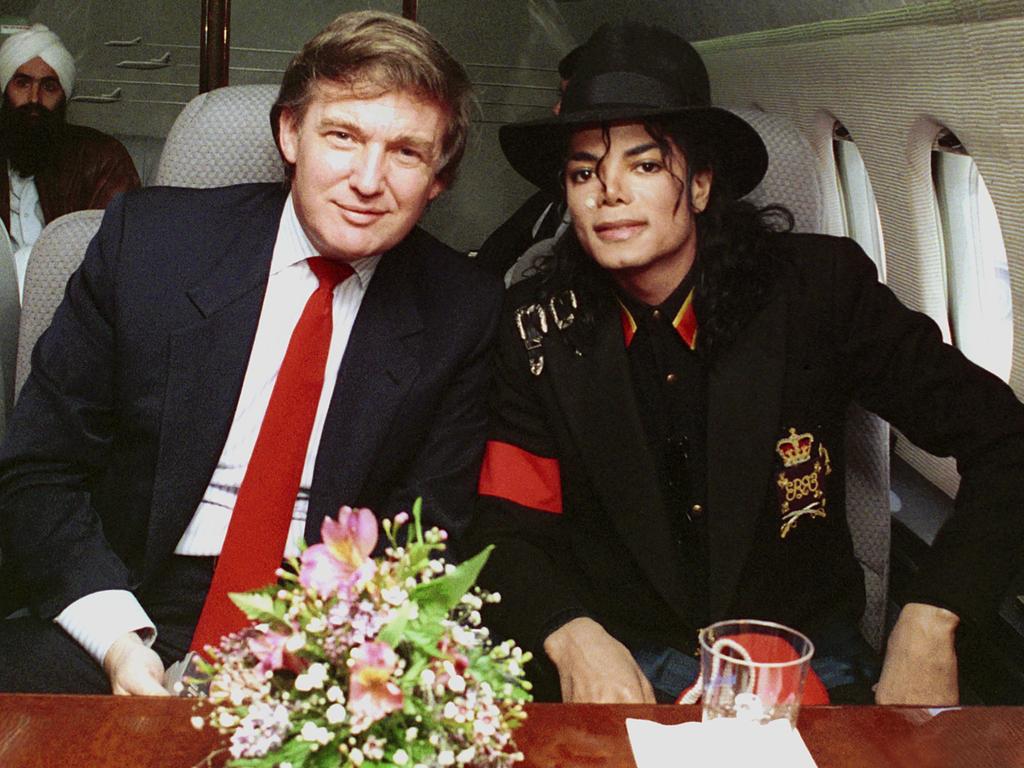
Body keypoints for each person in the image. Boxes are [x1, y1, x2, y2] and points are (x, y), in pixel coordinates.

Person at [469, 21, 1024, 706]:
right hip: (627, 663)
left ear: (700, 185)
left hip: (807, 661)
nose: (608, 191)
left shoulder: (820, 292)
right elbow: (507, 526)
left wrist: (934, 613)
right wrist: (570, 634)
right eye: (585, 172)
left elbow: (1005, 439)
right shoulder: (533, 329)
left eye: (644, 165)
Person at [0, 10, 503, 695]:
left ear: (438, 178)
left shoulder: (460, 308)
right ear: (290, 133)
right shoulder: (150, 245)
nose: (367, 179)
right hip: (124, 591)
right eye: (343, 136)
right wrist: (117, 640)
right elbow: (39, 467)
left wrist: (321, 649)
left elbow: (429, 530)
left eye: (407, 152)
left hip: (327, 623)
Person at [0, 24, 140, 296]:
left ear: (64, 97)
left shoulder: (102, 159)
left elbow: (114, 259)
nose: (34, 99)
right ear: (5, 91)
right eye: (22, 83)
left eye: (49, 87)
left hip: (68, 309)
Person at [473, 44, 583, 282]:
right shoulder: (548, 202)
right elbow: (485, 266)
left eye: (647, 167)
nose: (556, 109)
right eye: (583, 174)